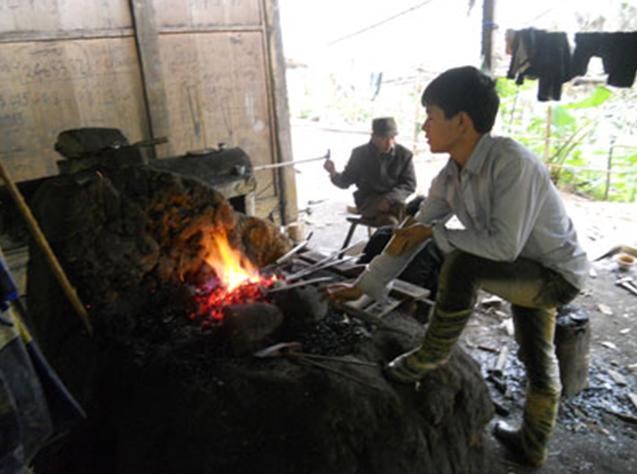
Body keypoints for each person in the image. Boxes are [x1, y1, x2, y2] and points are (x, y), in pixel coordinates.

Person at [327, 66, 588, 467]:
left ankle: (428, 356)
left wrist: (434, 236)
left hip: (555, 275)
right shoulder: (450, 177)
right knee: (537, 357)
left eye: (431, 115)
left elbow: (502, 245)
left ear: (461, 121)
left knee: (461, 263)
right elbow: (411, 232)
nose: (425, 126)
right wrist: (365, 284)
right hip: (521, 268)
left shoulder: (510, 163)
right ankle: (533, 446)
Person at [323, 117, 416, 226]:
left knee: (414, 215)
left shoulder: (404, 155)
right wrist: (333, 172)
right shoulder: (359, 154)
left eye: (392, 138)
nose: (389, 143)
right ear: (374, 137)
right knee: (391, 223)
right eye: (384, 138)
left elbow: (409, 184)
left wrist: (389, 199)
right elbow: (345, 181)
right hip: (368, 200)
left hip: (394, 201)